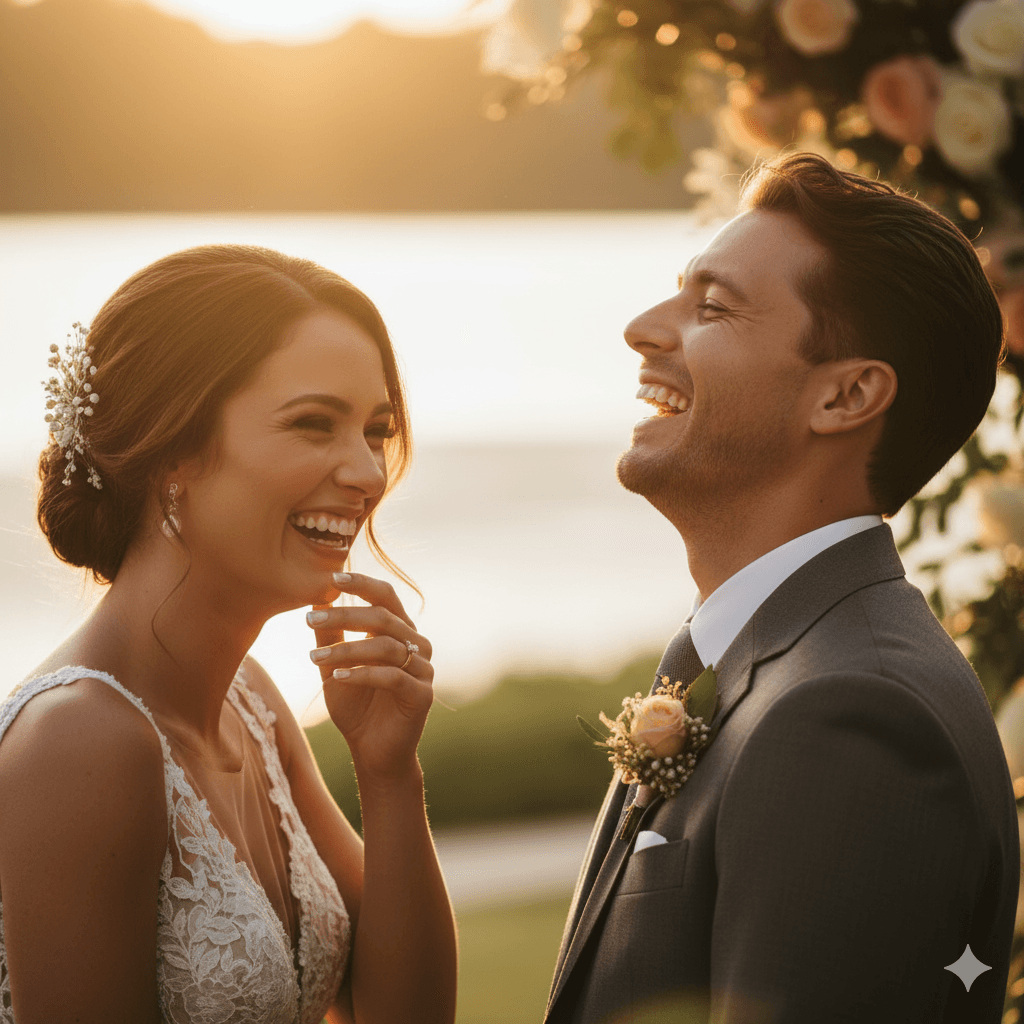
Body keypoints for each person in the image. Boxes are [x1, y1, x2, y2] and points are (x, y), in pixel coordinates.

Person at [546, 153, 1020, 1023]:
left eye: (712, 308)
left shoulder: (850, 715)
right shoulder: (764, 660)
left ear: (845, 396)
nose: (643, 327)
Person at [0, 245, 456, 1024]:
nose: (367, 474)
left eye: (375, 432)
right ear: (171, 448)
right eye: (314, 424)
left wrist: (388, 773)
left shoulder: (256, 705)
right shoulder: (80, 742)